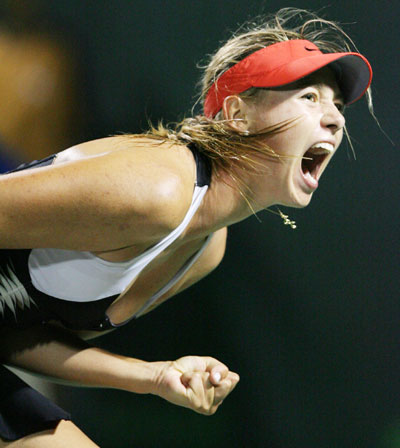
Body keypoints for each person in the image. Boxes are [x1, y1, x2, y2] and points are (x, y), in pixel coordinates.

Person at [0, 8, 373, 447]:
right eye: (310, 97)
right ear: (236, 114)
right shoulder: (157, 189)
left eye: (336, 104)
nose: (336, 118)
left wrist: (153, 376)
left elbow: (14, 335)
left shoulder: (208, 249)